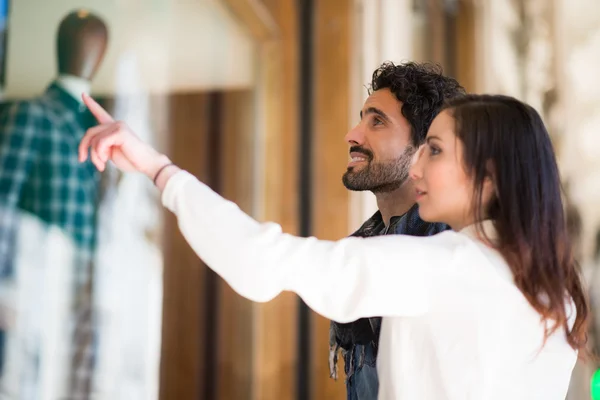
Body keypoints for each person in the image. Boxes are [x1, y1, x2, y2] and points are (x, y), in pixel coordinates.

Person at [79, 93, 589, 399]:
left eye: (434, 150)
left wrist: (158, 170)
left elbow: (264, 260)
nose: (416, 168)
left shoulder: (449, 267)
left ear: (491, 175)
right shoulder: (557, 296)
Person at [331, 61, 464, 398]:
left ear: (426, 147)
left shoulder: (454, 249)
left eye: (377, 121)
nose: (353, 134)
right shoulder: (359, 248)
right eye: (362, 118)